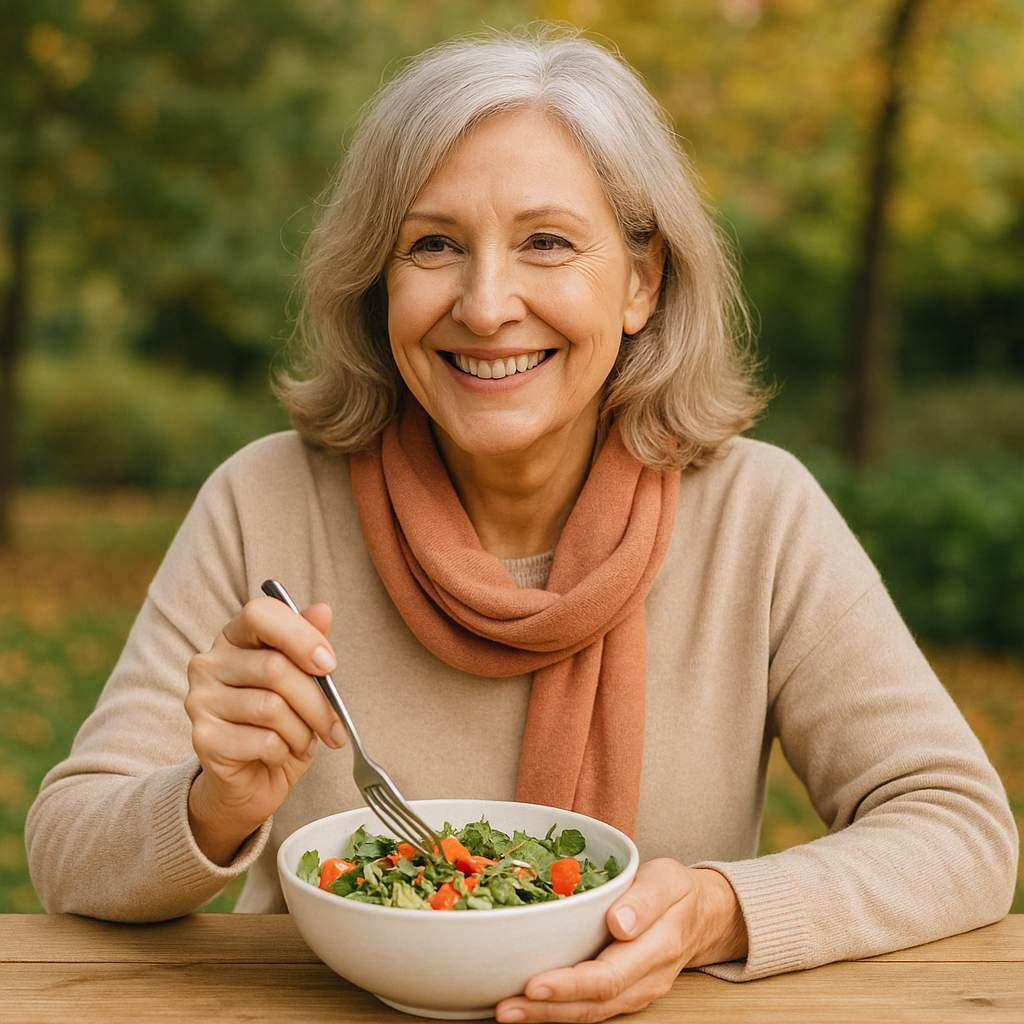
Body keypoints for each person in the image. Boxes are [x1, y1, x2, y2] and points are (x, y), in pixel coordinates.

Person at [26, 25, 1016, 1024]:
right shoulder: (265, 500)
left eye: (546, 242)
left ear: (641, 282)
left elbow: (960, 828)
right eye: (433, 246)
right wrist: (215, 800)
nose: (487, 303)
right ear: (378, 283)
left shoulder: (757, 514)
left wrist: (720, 912)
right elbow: (65, 844)